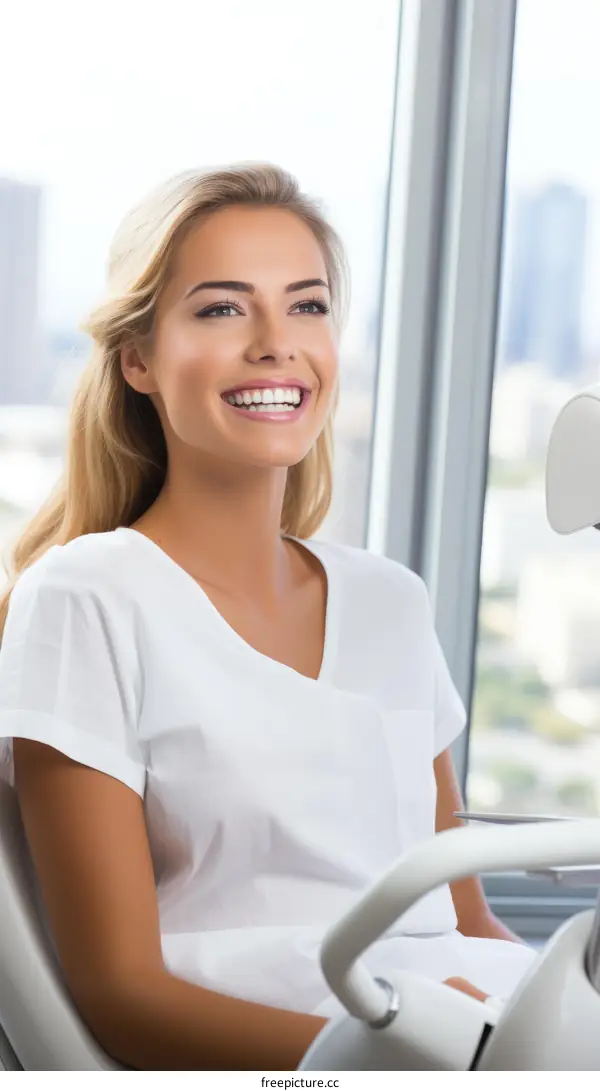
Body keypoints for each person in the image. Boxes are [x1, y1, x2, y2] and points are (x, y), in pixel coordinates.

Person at [0, 163, 538, 1071]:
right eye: (221, 308)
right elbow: (122, 996)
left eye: (307, 306)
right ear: (138, 359)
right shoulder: (87, 597)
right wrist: (422, 1061)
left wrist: (531, 1033)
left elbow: (464, 916)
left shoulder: (390, 602)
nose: (275, 343)